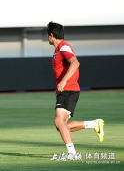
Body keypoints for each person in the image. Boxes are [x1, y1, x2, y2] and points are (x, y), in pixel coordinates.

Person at [46, 21, 104, 159]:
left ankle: (72, 154)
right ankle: (94, 124)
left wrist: (64, 81)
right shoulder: (58, 49)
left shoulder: (64, 47)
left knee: (59, 122)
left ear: (51, 35)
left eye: (47, 34)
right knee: (61, 125)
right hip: (65, 91)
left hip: (69, 89)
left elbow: (75, 62)